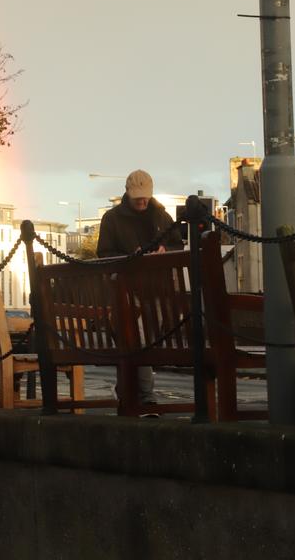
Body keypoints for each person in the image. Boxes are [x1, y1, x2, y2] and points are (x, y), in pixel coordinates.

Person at [96, 169, 182, 409]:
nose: (142, 201)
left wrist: (165, 250)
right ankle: (146, 397)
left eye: (145, 196)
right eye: (137, 198)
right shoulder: (112, 219)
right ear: (127, 194)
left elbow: (177, 244)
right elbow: (104, 253)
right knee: (139, 340)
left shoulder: (162, 217)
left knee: (146, 342)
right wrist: (129, 257)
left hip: (158, 290)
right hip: (127, 290)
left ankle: (126, 393)